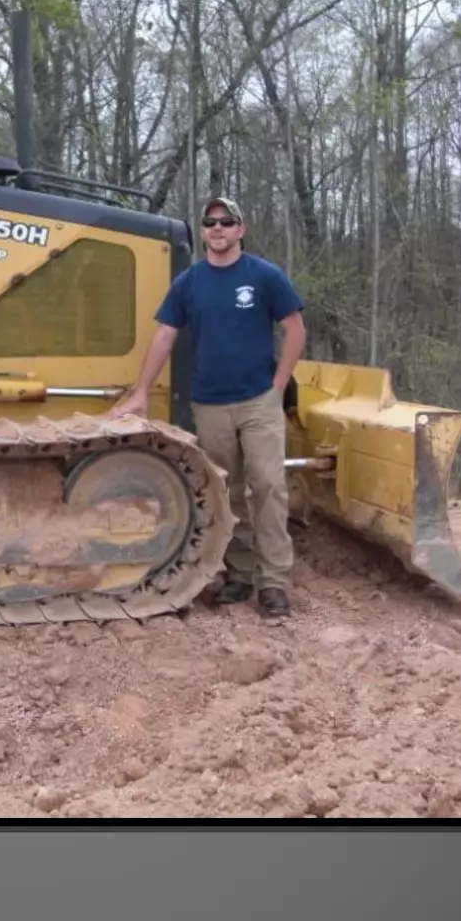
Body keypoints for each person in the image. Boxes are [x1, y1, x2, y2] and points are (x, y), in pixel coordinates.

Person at [110, 195, 305, 616]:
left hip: (258, 401)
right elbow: (164, 336)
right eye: (210, 222)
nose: (217, 228)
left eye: (226, 221)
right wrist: (140, 391)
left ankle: (273, 583)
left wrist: (279, 384)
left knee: (268, 486)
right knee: (226, 490)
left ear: (240, 229)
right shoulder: (189, 284)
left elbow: (294, 329)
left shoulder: (265, 277)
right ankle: (239, 574)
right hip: (210, 403)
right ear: (203, 232)